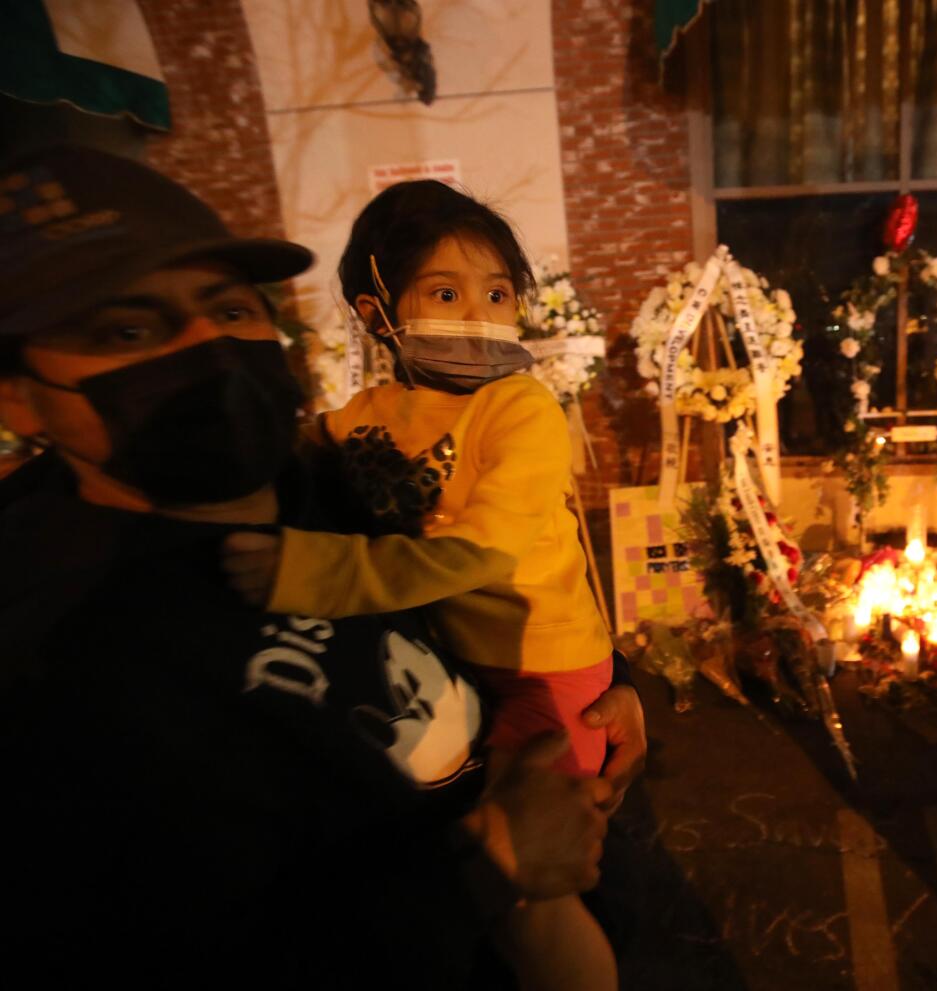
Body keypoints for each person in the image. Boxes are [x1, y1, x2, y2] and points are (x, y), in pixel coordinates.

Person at [0, 145, 642, 987]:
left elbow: (475, 548)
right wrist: (488, 866)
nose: (208, 350)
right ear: (16, 392)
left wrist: (606, 678)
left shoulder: (309, 480)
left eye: (230, 308)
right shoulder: (51, 653)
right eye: (129, 329)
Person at [218, 180, 621, 990]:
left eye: (498, 293)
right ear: (377, 312)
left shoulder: (518, 409)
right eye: (445, 291)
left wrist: (307, 572)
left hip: (548, 668)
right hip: (462, 663)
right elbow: (298, 457)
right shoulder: (370, 412)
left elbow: (482, 551)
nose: (478, 316)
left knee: (531, 887)